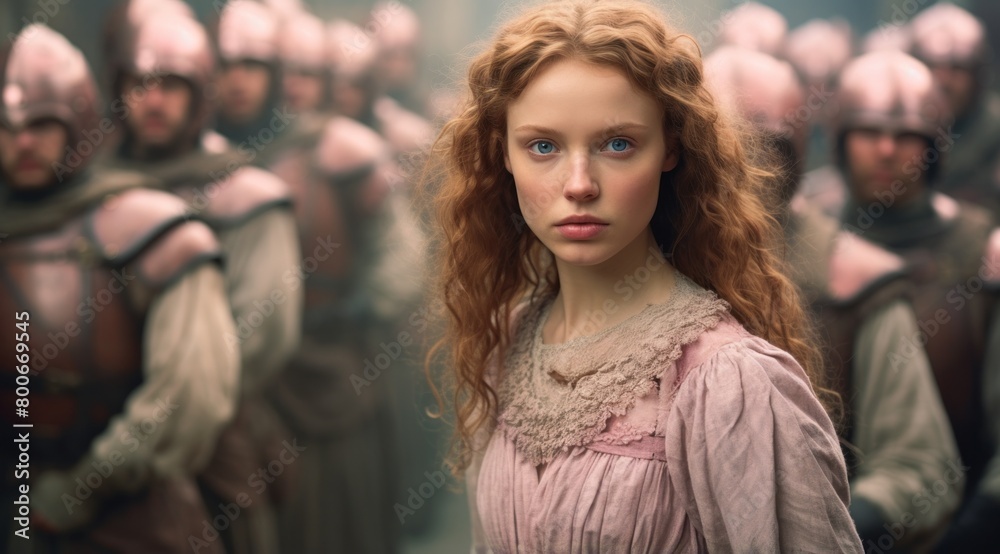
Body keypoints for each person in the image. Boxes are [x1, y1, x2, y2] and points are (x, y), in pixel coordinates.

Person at [421, 1, 863, 551]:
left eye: (617, 144)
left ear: (670, 149)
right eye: (543, 146)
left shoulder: (728, 383)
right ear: (503, 156)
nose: (579, 184)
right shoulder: (505, 343)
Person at [705, 45, 962, 551]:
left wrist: (820, 531)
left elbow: (918, 467)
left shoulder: (857, 281)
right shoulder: (633, 261)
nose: (741, 168)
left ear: (798, 148)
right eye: (717, 147)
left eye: (763, 149)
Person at [0, 24, 237, 552]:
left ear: (79, 124)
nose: (23, 142)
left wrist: (82, 488)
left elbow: (188, 394)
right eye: (6, 127)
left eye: (42, 124)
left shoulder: (154, 230)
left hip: (134, 518)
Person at [98, 12, 302, 554]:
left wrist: (174, 404)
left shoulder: (246, 194)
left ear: (199, 95)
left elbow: (264, 335)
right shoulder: (90, 187)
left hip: (212, 433)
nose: (154, 101)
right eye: (139, 85)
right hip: (96, 428)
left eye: (171, 85)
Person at [827, 50, 1000, 552]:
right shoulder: (812, 245)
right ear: (840, 140)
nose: (886, 150)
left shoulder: (981, 252)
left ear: (934, 146)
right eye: (868, 132)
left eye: (907, 135)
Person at [910, 3, 1000, 219]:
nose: (943, 80)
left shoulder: (996, 128)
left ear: (976, 75)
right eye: (932, 66)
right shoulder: (897, 130)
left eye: (957, 68)